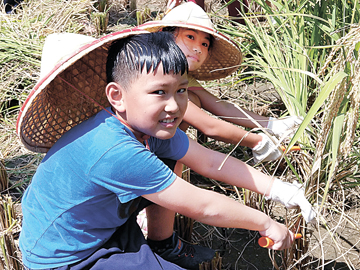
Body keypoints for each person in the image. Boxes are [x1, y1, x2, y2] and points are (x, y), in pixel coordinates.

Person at [17, 29, 313, 270]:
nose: (174, 106)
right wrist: (265, 222)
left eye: (181, 90)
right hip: (67, 257)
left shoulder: (149, 128)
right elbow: (202, 205)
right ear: (117, 96)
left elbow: (210, 163)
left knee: (169, 160)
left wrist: (279, 189)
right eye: (159, 92)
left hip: (102, 228)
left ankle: (162, 244)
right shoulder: (114, 150)